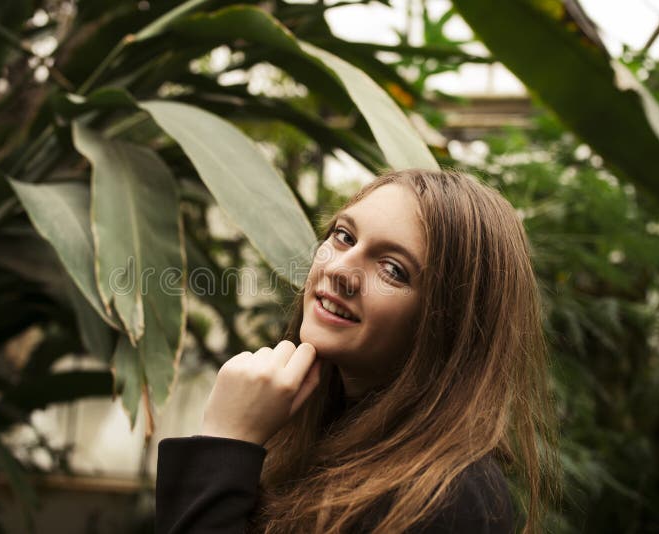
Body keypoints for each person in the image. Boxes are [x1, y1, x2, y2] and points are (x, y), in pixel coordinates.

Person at [155, 169, 560, 533]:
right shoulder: (318, 435)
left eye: (393, 269)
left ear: (447, 322)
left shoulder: (446, 500)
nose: (338, 270)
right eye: (343, 236)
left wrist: (226, 441)